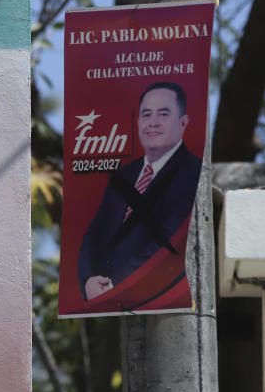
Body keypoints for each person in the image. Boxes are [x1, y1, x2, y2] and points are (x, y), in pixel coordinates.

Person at [77, 81, 202, 301]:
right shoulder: (124, 175)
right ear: (138, 122)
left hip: (156, 297)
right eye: (146, 115)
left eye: (163, 114)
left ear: (183, 122)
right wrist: (89, 280)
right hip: (104, 300)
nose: (152, 123)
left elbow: (170, 243)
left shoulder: (193, 173)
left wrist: (116, 284)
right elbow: (94, 233)